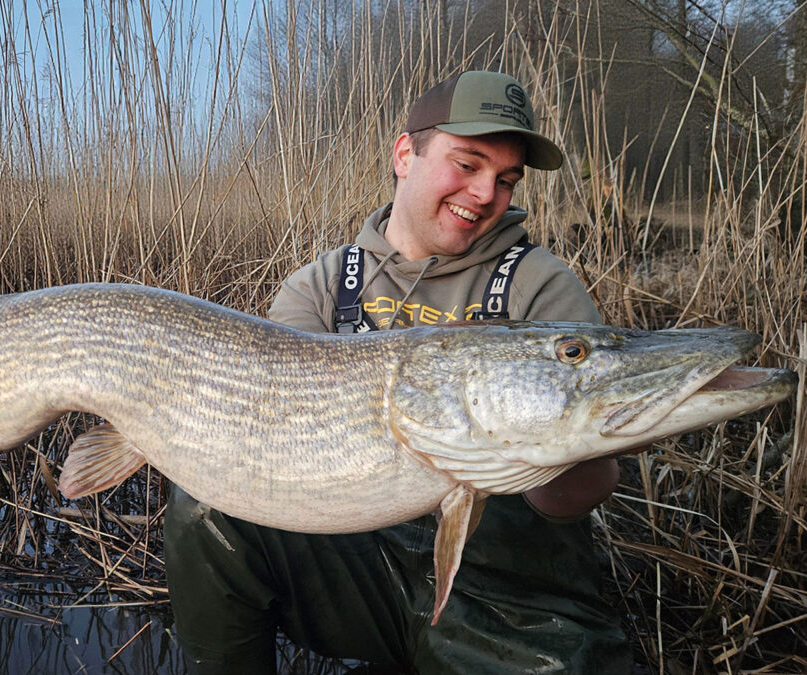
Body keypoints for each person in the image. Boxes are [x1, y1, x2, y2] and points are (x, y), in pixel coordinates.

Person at [164, 70, 633, 673]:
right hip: (358, 566)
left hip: (509, 599)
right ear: (406, 153)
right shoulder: (321, 287)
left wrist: (584, 441)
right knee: (204, 508)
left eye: (506, 179)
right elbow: (281, 447)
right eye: (468, 164)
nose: (487, 192)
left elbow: (574, 500)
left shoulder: (540, 286)